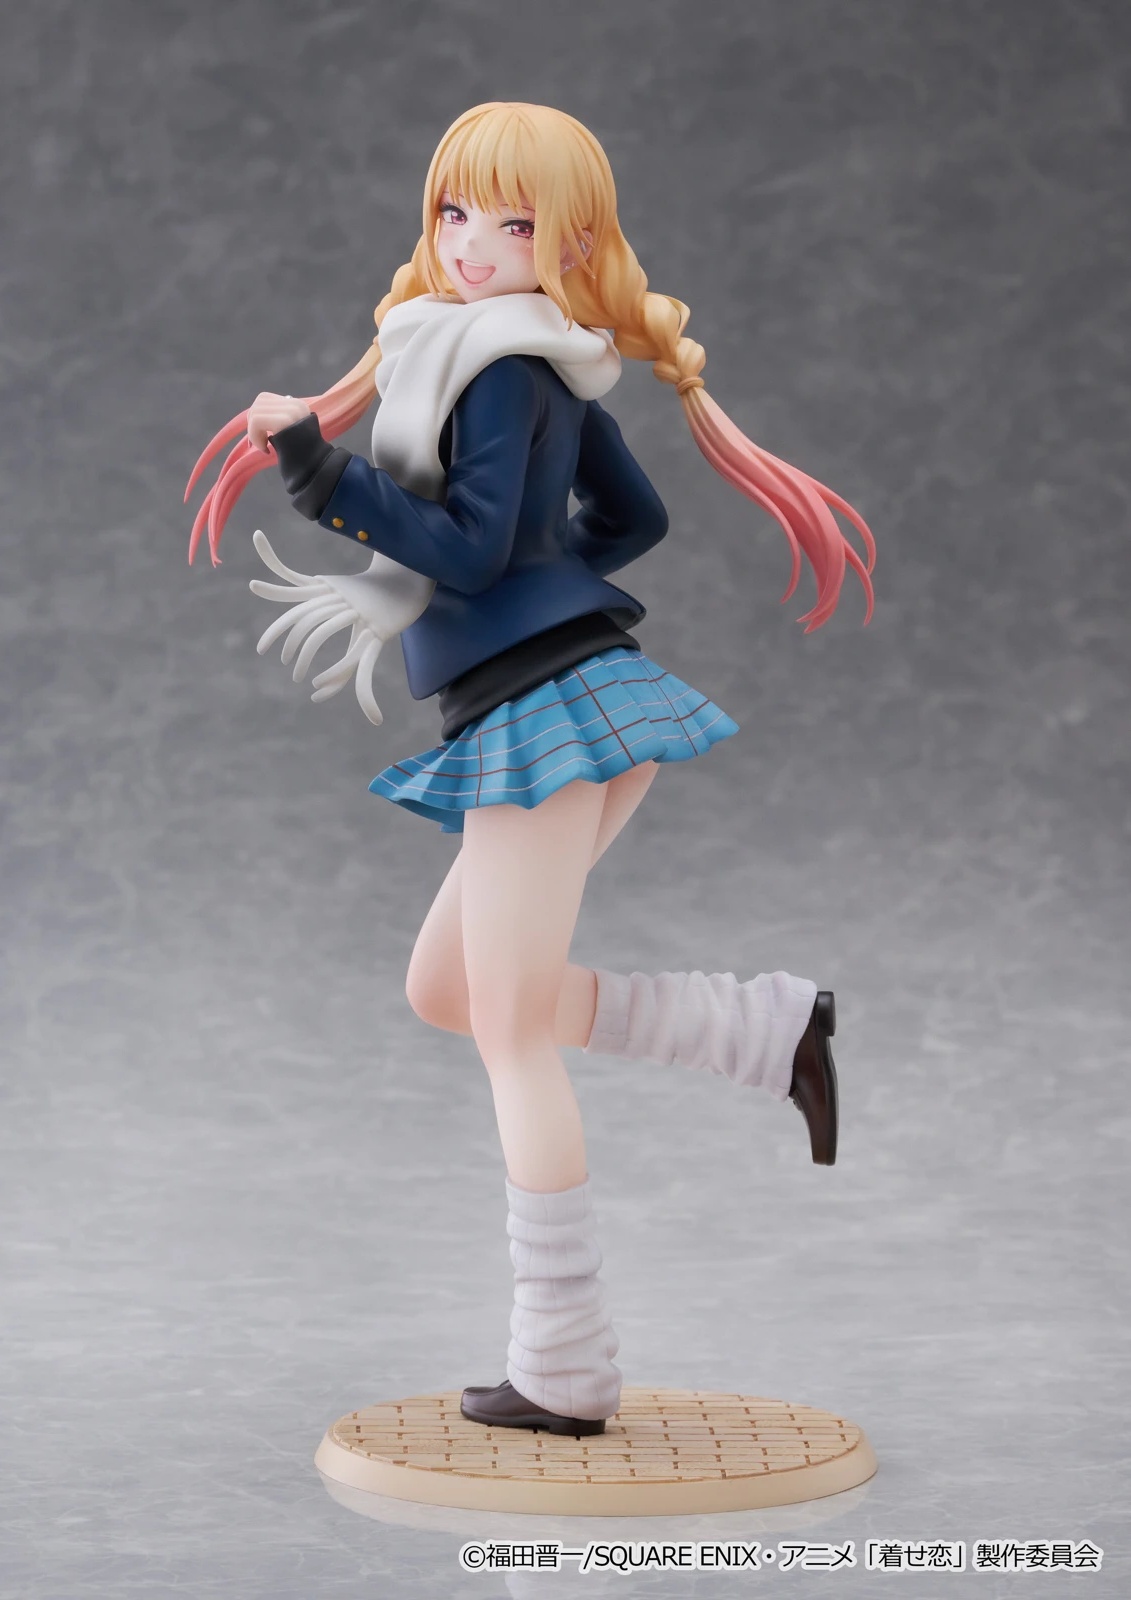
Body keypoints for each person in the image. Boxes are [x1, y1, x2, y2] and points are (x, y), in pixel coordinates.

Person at [186, 101, 874, 1438]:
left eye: (513, 222)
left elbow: (466, 547)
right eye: (454, 212)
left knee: (507, 1032)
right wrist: (534, 581)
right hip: (561, 701)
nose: (473, 243)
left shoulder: (501, 364)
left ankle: (564, 1365)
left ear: (568, 242)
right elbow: (632, 516)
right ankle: (763, 1031)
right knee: (449, 992)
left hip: (544, 718)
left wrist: (317, 472)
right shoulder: (528, 357)